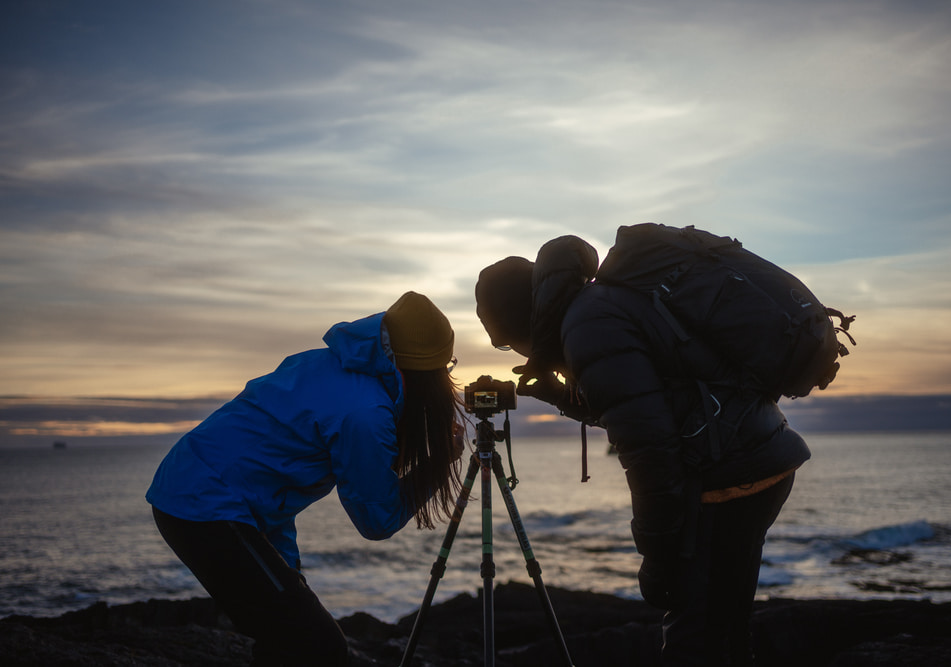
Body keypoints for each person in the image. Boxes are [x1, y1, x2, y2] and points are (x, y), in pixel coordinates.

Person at [475, 231, 811, 666]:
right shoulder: (600, 307)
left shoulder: (588, 328)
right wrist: (561, 396)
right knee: (724, 623)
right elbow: (646, 408)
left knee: (692, 636)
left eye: (504, 342)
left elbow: (650, 452)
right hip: (758, 455)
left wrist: (657, 556)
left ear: (520, 320)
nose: (514, 351)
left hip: (727, 476)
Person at [146, 291, 464, 666]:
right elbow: (376, 522)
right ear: (427, 373)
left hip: (199, 493)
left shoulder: (326, 365)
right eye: (446, 367)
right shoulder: (365, 413)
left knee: (289, 636)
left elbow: (269, 474)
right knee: (316, 643)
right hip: (205, 508)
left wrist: (288, 569)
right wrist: (438, 465)